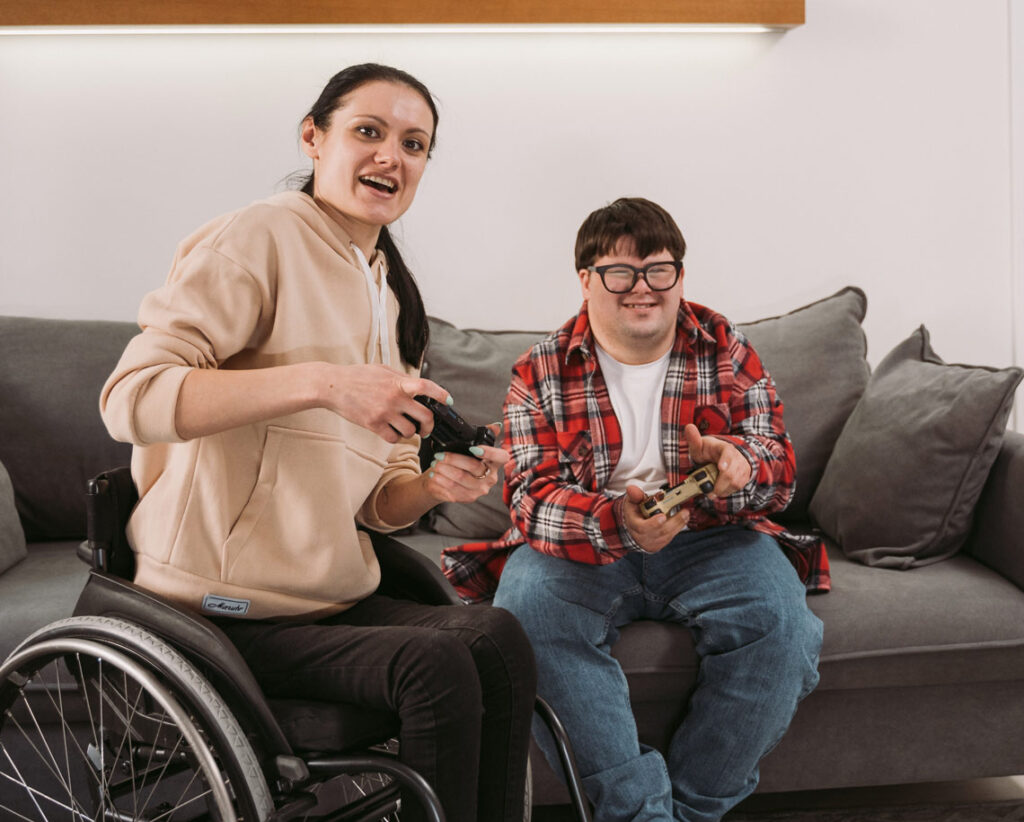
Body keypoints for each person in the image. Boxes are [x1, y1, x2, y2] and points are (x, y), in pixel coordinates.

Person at [101, 63, 535, 822]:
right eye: (368, 132)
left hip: (326, 597)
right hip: (220, 608)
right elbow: (130, 400)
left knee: (497, 637)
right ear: (314, 137)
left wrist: (433, 486)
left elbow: (378, 500)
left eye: (414, 143)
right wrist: (325, 384)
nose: (390, 157)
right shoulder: (260, 236)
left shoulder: (388, 291)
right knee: (433, 666)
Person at [443, 198, 828, 822]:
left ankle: (688, 811)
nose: (641, 288)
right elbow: (530, 497)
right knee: (526, 625)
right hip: (582, 545)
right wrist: (617, 522)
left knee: (783, 630)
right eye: (620, 272)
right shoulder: (538, 368)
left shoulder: (725, 348)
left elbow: (777, 465)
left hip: (713, 538)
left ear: (679, 275)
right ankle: (640, 813)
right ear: (586, 279)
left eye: (658, 269)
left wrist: (739, 468)